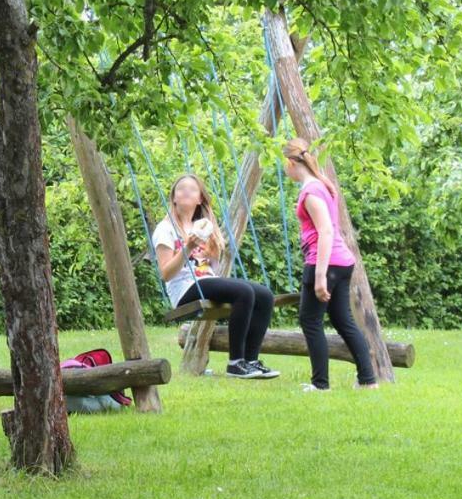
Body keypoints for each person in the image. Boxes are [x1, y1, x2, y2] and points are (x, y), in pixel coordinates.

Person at [152, 174, 279, 380]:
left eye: (192, 189)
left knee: (265, 295)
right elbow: (166, 274)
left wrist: (212, 249)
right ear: (173, 198)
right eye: (181, 188)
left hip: (205, 281)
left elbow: (212, 268)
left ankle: (251, 361)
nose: (186, 191)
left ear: (199, 198)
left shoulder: (202, 227)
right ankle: (236, 363)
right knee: (244, 292)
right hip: (184, 289)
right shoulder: (165, 229)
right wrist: (189, 247)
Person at [281, 138, 378, 391]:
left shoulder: (311, 191)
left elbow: (325, 231)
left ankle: (320, 385)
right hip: (342, 260)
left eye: (284, 165)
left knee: (310, 321)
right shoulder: (321, 185)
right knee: (342, 319)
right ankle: (368, 380)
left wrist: (321, 276)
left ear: (291, 162)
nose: (284, 170)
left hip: (324, 261)